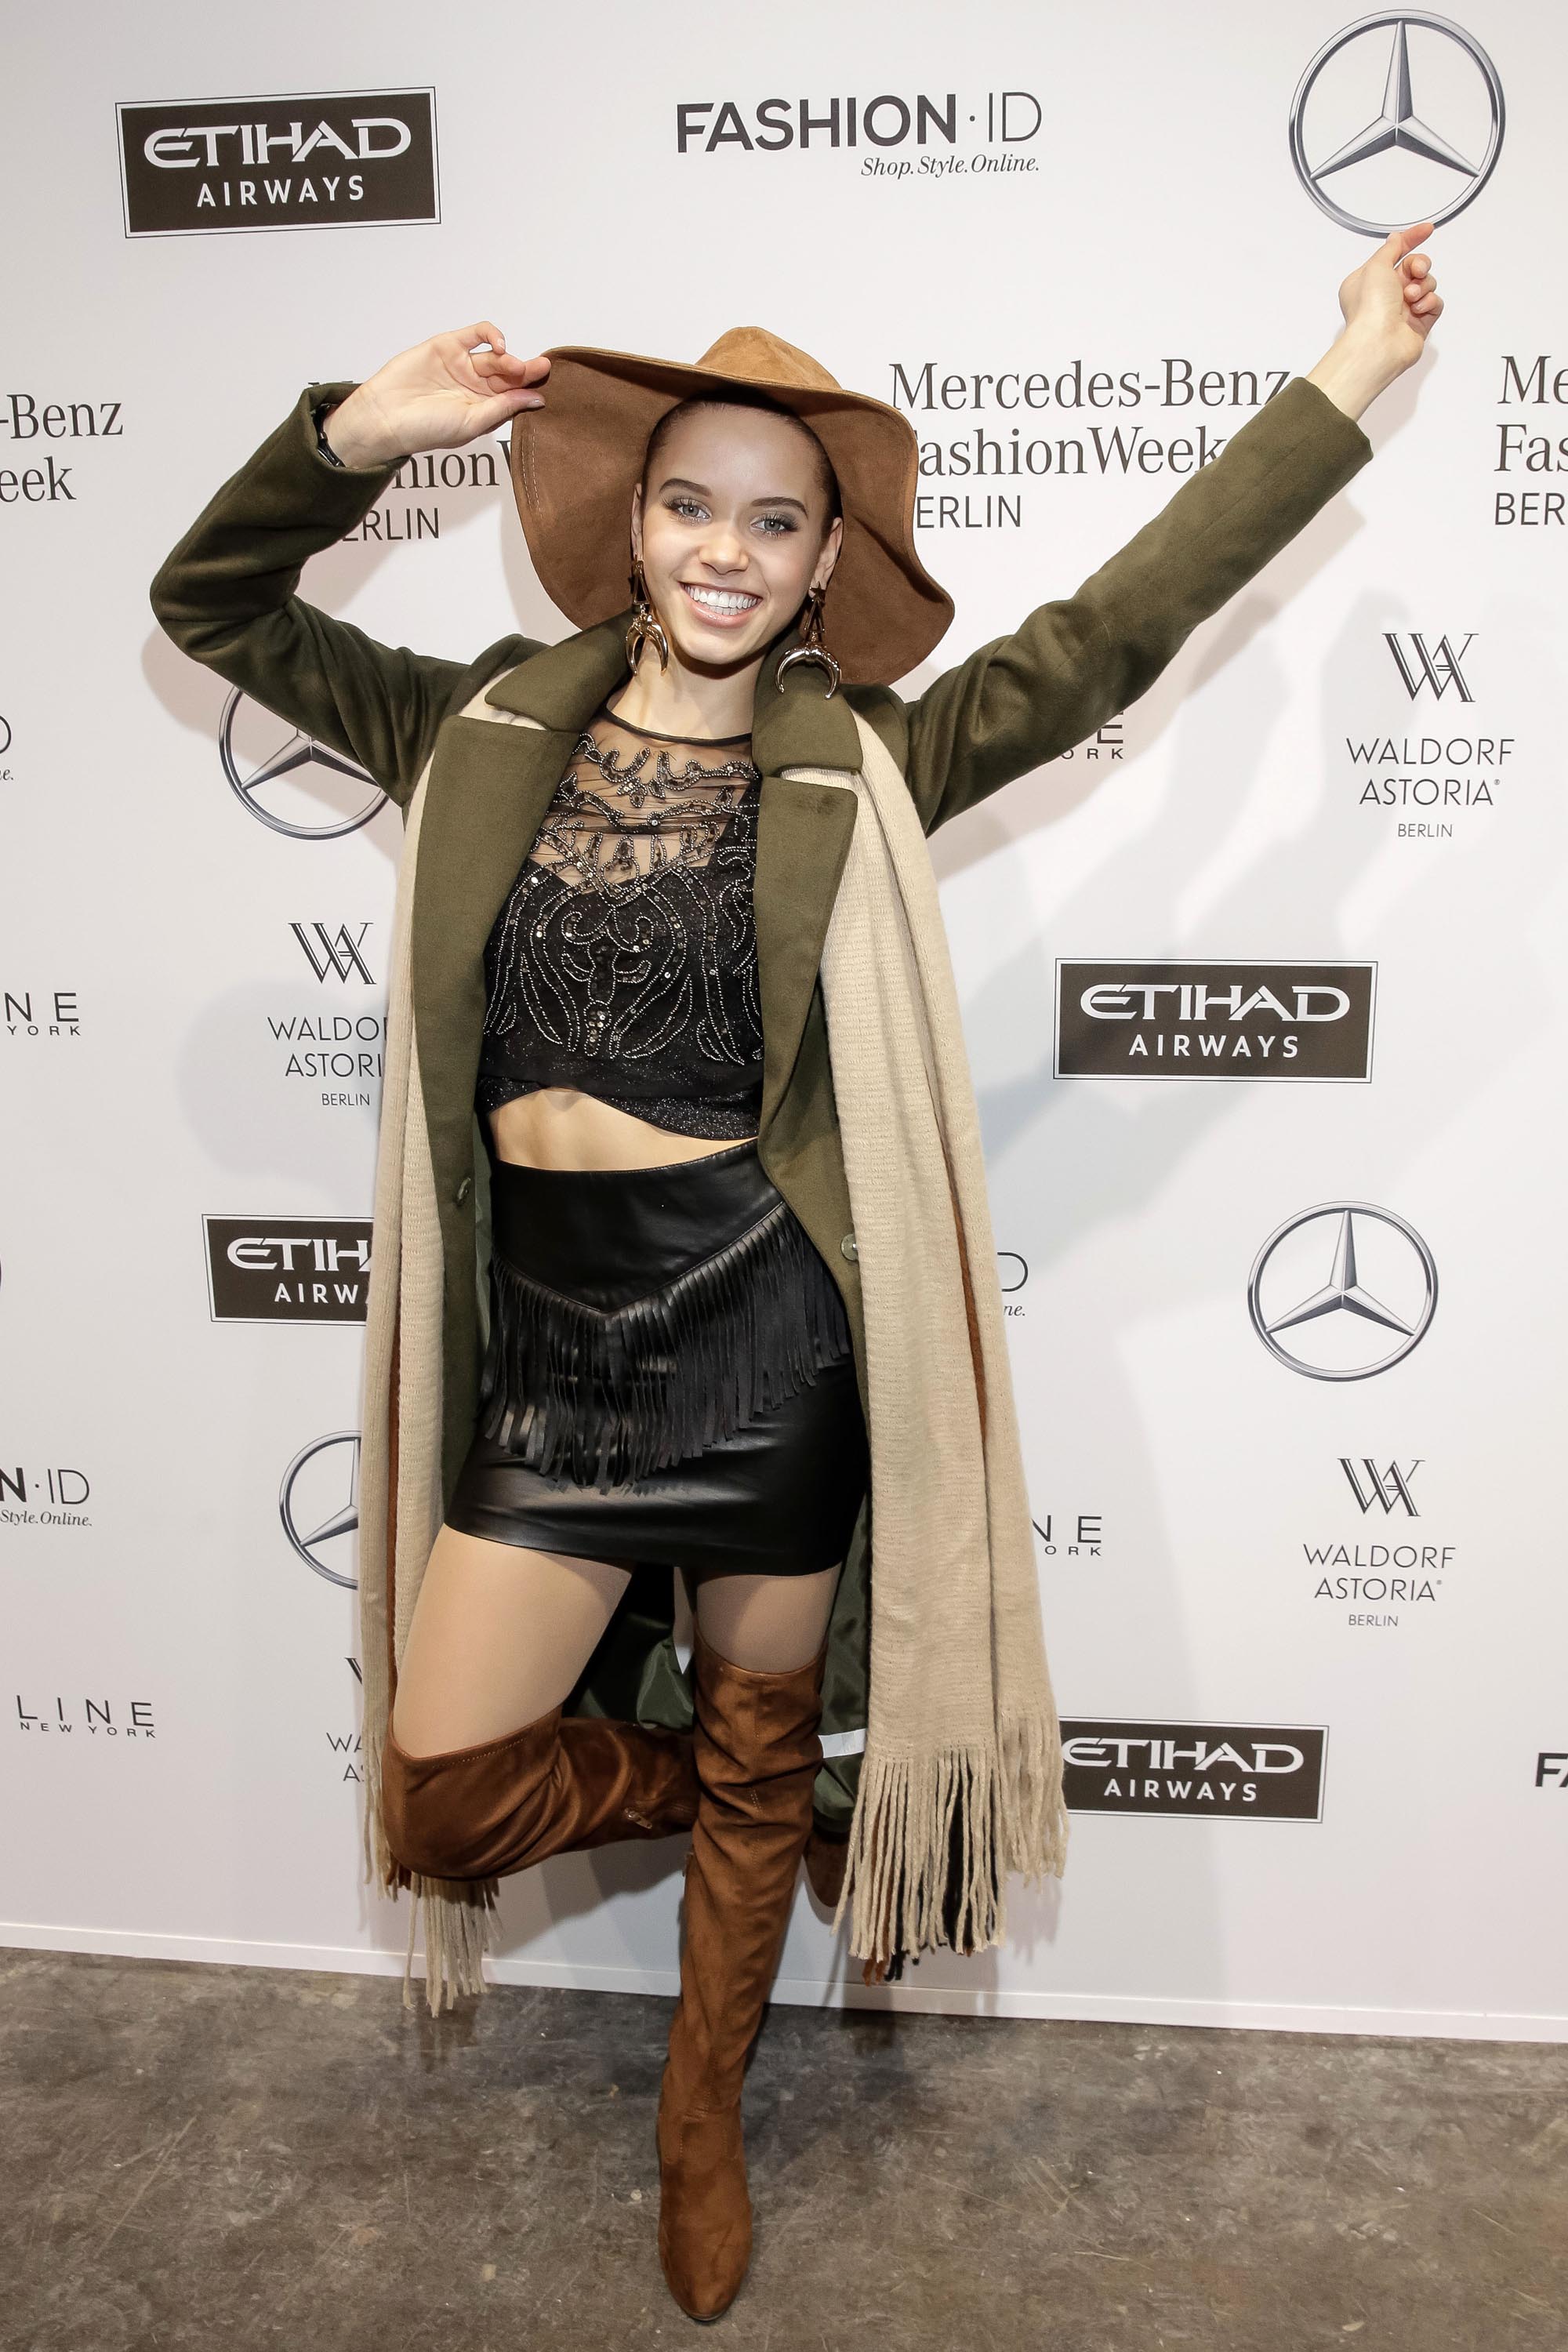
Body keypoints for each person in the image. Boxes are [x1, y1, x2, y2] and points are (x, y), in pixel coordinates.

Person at [150, 226, 1441, 2322]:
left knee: (753, 1745)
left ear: (829, 556)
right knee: (445, 1799)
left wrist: (1354, 369)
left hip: (774, 1332)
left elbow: (1122, 625)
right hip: (549, 1344)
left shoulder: (870, 760)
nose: (727, 553)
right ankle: (797, 1781)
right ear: (632, 523)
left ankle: (702, 2115)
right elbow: (208, 602)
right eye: (692, 505)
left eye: (776, 520)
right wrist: (359, 432)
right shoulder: (472, 724)